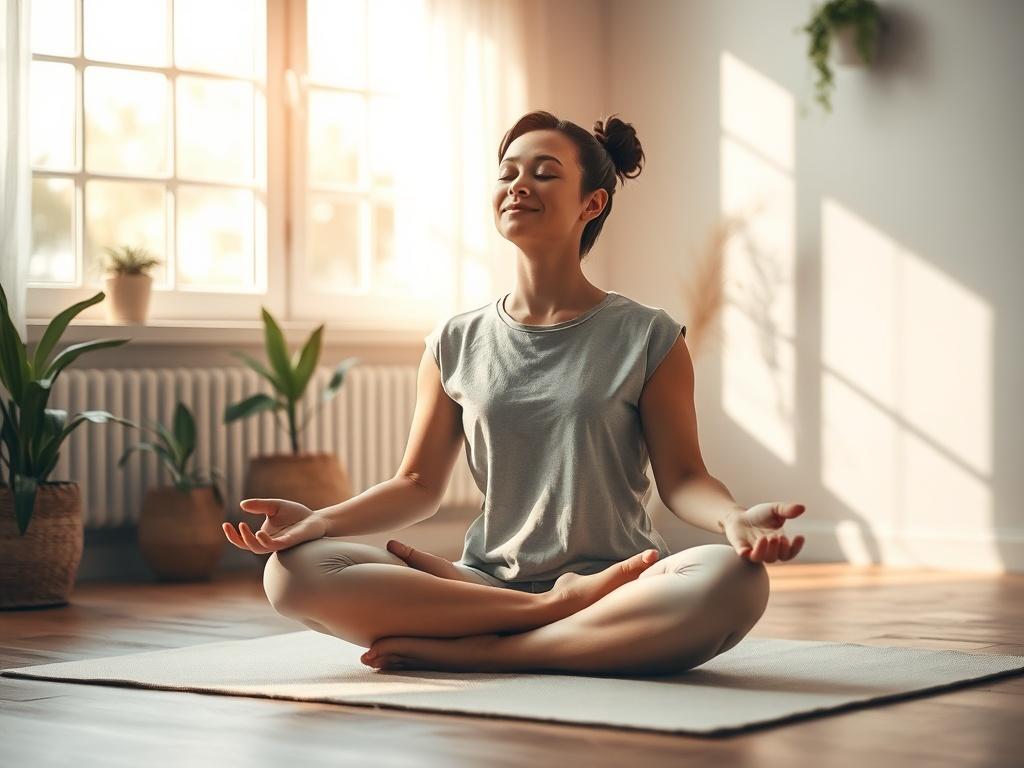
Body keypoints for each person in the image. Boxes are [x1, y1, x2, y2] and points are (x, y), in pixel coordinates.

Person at [223, 110, 806, 677]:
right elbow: (416, 486)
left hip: (620, 583)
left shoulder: (648, 336)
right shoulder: (454, 340)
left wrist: (732, 517)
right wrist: (319, 523)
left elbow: (683, 479)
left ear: (591, 203)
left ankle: (491, 652)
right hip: (481, 585)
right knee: (291, 574)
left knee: (736, 578)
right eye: (507, 173)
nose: (519, 185)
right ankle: (546, 615)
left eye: (544, 173)